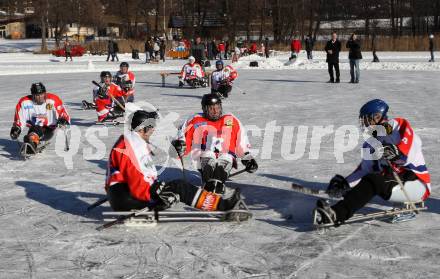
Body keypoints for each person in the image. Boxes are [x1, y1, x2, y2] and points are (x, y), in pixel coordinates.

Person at [314, 99, 431, 226]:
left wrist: (397, 152)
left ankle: (336, 215)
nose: (364, 123)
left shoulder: (397, 126)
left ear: (378, 116)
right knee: (373, 178)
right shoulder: (369, 144)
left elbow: (410, 150)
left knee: (375, 179)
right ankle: (336, 211)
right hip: (395, 183)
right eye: (363, 120)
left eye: (367, 119)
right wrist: (345, 184)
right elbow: (364, 169)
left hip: (416, 184)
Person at [106, 109, 242, 212]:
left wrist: (156, 188)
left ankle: (217, 203)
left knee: (176, 187)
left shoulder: (130, 141)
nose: (153, 130)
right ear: (143, 128)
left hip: (123, 195)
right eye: (151, 126)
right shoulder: (133, 145)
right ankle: (222, 206)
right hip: (129, 199)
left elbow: (132, 176)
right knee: (180, 187)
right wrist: (157, 191)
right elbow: (137, 177)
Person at [172, 94, 258, 194]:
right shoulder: (195, 120)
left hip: (226, 156)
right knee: (208, 155)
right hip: (203, 156)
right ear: (204, 109)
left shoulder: (230, 119)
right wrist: (179, 145)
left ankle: (218, 184)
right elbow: (182, 136)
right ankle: (208, 183)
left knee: (225, 158)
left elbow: (241, 140)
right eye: (211, 108)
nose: (215, 111)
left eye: (217, 107)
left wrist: (247, 158)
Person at [10, 82, 70, 153]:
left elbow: (63, 113)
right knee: (35, 129)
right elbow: (19, 118)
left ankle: (31, 144)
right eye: (37, 95)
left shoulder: (53, 100)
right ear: (32, 95)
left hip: (49, 129)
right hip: (33, 129)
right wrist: (16, 128)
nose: (40, 97)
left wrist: (63, 120)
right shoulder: (24, 102)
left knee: (36, 130)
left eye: (42, 94)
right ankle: (32, 142)